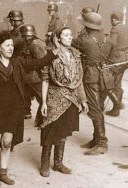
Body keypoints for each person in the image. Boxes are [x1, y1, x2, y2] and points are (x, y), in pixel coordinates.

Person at [0, 31, 59, 187]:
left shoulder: (18, 63)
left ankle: (4, 172)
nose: (10, 48)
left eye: (11, 45)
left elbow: (37, 64)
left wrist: (53, 53)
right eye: (7, 45)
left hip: (12, 110)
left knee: (7, 142)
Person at [39, 27, 88, 177]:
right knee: (49, 131)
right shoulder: (51, 55)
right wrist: (44, 102)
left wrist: (83, 100)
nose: (70, 37)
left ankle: (58, 163)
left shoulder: (76, 55)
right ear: (58, 38)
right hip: (54, 98)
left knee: (64, 132)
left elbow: (79, 80)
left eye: (71, 35)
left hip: (72, 99)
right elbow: (45, 79)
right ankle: (45, 164)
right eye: (66, 35)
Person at [74, 12, 114, 155]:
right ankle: (96, 138)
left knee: (94, 108)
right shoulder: (105, 37)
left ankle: (101, 143)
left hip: (91, 77)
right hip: (104, 76)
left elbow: (73, 42)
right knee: (99, 107)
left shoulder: (85, 40)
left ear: (86, 25)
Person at [104, 11, 128, 116]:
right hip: (124, 58)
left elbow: (112, 43)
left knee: (108, 82)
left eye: (112, 19)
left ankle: (116, 106)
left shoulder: (115, 29)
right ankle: (116, 108)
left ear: (113, 19)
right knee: (117, 82)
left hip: (115, 58)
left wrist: (105, 54)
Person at [19, 24, 47, 122]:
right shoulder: (28, 43)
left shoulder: (36, 44)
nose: (26, 37)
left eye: (27, 36)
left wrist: (44, 76)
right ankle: (26, 112)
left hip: (35, 76)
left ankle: (44, 118)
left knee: (42, 98)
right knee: (25, 95)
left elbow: (42, 61)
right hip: (28, 76)